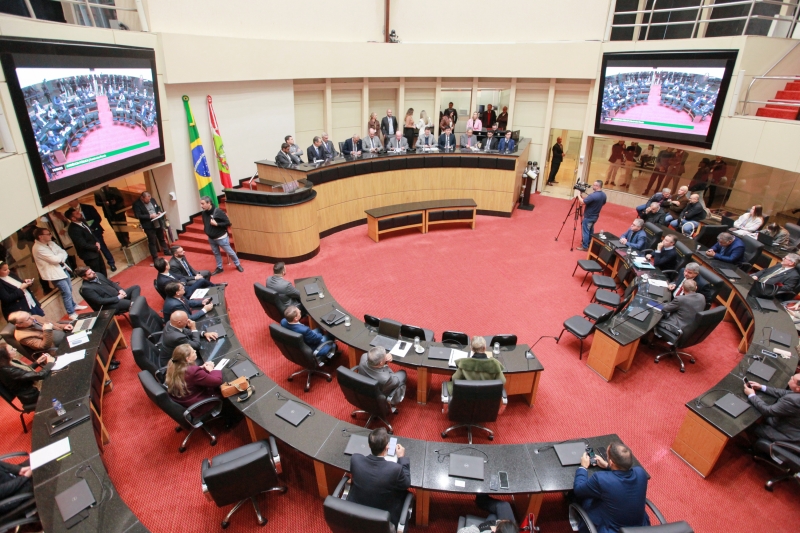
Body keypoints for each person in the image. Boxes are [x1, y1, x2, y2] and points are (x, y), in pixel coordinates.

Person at [572, 441, 650, 533]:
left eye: (607, 456)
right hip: (640, 528)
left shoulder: (601, 479)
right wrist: (607, 466)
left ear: (611, 462)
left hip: (612, 529)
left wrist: (583, 467)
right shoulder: (641, 473)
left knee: (585, 497)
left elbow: (578, 490)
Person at [348, 427, 411, 527]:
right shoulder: (395, 469)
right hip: (383, 518)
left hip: (356, 513)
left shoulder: (356, 459)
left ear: (369, 445)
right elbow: (406, 484)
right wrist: (401, 458)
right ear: (387, 447)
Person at [165, 344, 240, 427]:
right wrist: (212, 369)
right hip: (199, 406)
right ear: (187, 359)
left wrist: (201, 368)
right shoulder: (192, 371)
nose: (195, 351)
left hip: (185, 401)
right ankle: (231, 421)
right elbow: (217, 381)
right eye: (193, 352)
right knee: (226, 389)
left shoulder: (173, 364)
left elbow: (188, 374)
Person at [31, 228, 85, 320]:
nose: (50, 235)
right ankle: (71, 313)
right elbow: (55, 260)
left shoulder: (50, 243)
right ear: (41, 237)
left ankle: (73, 305)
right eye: (48, 234)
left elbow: (63, 252)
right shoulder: (38, 248)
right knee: (66, 292)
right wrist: (59, 257)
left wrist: (59, 258)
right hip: (55, 274)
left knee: (69, 289)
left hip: (62, 269)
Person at [744, 373, 800, 444]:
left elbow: (767, 411)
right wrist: (761, 387)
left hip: (787, 435)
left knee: (747, 425)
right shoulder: (797, 394)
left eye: (793, 379)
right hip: (790, 424)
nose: (791, 377)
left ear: (798, 388)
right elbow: (785, 393)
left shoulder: (793, 400)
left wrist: (751, 395)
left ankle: (752, 445)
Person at [66, 199, 116, 272]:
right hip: (89, 248)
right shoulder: (73, 224)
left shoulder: (88, 207)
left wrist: (92, 229)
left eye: (70, 201)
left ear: (76, 200)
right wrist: (95, 247)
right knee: (97, 269)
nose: (69, 203)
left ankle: (111, 263)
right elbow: (82, 243)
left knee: (103, 248)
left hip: (95, 232)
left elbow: (97, 218)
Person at [200, 196, 244, 274]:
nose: (201, 206)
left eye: (203, 204)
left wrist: (217, 224)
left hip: (221, 238)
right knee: (216, 253)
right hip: (211, 238)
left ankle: (238, 264)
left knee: (230, 252)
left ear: (209, 203)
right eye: (201, 204)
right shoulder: (204, 213)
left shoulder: (218, 212)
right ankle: (219, 267)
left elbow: (228, 223)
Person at [75, 266, 140, 314]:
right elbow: (100, 301)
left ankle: (133, 304)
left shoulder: (98, 274)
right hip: (109, 305)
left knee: (136, 287)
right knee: (134, 304)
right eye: (90, 274)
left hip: (118, 295)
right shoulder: (86, 288)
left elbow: (111, 283)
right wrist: (118, 298)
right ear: (84, 277)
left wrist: (120, 290)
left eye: (92, 271)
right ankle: (133, 306)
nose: (93, 273)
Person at [66, 206, 107, 276]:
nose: (80, 213)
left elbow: (91, 234)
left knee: (103, 269)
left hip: (95, 250)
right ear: (73, 218)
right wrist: (95, 247)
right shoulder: (73, 229)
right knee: (96, 273)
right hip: (89, 254)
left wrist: (97, 242)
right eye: (77, 213)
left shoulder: (83, 222)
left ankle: (106, 282)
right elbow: (82, 244)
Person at [132, 191, 170, 262]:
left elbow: (157, 207)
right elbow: (137, 215)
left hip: (157, 222)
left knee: (161, 238)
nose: (149, 200)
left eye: (150, 199)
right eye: (147, 199)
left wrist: (159, 212)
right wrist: (150, 216)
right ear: (142, 198)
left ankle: (166, 251)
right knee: (152, 242)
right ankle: (155, 257)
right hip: (148, 225)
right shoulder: (136, 204)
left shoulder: (152, 199)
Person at [577, 181, 607, 251]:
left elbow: (582, 202)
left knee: (586, 231)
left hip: (589, 216)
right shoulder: (604, 195)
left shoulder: (593, 195)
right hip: (595, 216)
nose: (592, 186)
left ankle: (585, 246)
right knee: (591, 230)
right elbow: (603, 203)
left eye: (594, 185)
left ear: (597, 186)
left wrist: (578, 194)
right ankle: (590, 243)